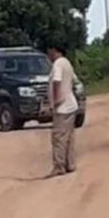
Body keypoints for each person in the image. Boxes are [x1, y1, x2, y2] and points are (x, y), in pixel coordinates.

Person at [45, 44, 79, 178]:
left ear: (54, 50)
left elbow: (57, 81)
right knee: (69, 136)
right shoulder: (67, 63)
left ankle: (59, 166)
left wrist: (56, 100)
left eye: (49, 51)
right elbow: (75, 81)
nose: (48, 55)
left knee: (58, 137)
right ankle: (70, 163)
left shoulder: (58, 64)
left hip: (63, 107)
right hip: (71, 104)